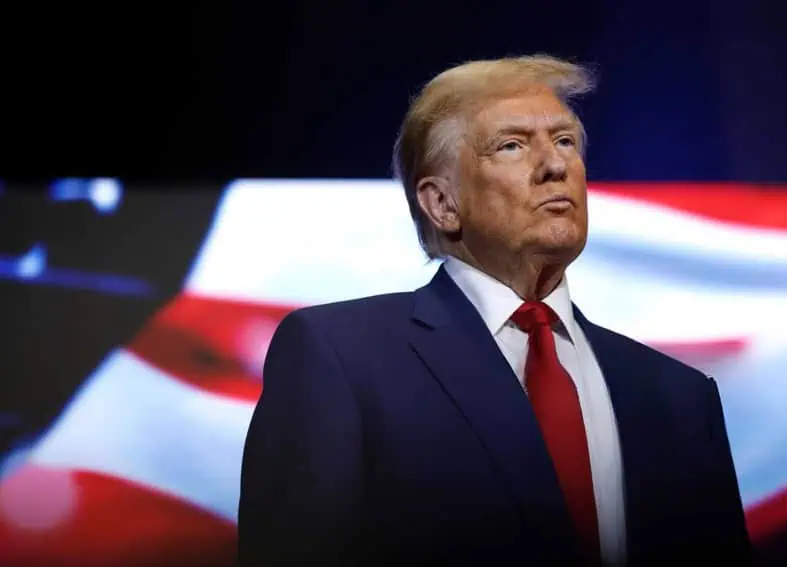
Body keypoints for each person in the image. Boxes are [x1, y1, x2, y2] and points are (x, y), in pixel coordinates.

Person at [237, 55, 751, 566]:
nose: (555, 165)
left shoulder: (682, 398)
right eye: (511, 146)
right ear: (442, 204)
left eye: (565, 141)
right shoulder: (342, 357)